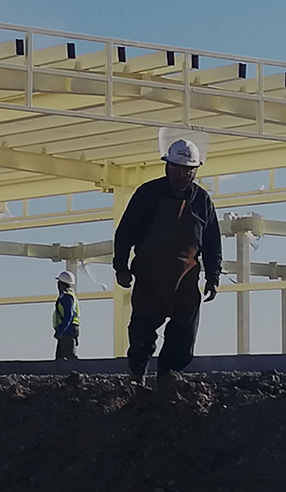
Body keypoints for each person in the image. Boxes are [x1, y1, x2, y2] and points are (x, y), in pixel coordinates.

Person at [113, 138, 222, 389]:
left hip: (186, 280)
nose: (181, 175)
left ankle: (169, 376)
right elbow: (126, 231)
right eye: (176, 168)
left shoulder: (202, 201)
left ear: (195, 171)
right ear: (166, 166)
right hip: (150, 276)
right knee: (141, 329)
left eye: (187, 170)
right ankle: (137, 375)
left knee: (183, 331)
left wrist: (213, 277)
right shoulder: (147, 194)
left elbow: (212, 242)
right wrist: (121, 266)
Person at [52, 270, 80, 360]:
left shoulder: (67, 297)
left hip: (67, 332)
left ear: (62, 284)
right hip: (68, 332)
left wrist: (60, 330)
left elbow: (68, 315)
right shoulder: (70, 296)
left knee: (66, 360)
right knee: (61, 359)